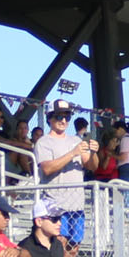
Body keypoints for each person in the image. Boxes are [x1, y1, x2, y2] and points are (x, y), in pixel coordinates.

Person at [34, 100, 98, 248]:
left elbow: (91, 166)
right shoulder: (44, 142)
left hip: (76, 205)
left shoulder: (76, 139)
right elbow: (47, 168)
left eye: (67, 117)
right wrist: (72, 153)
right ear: (50, 117)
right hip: (56, 205)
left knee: (74, 249)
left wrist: (94, 153)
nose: (63, 121)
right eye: (59, 117)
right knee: (59, 247)